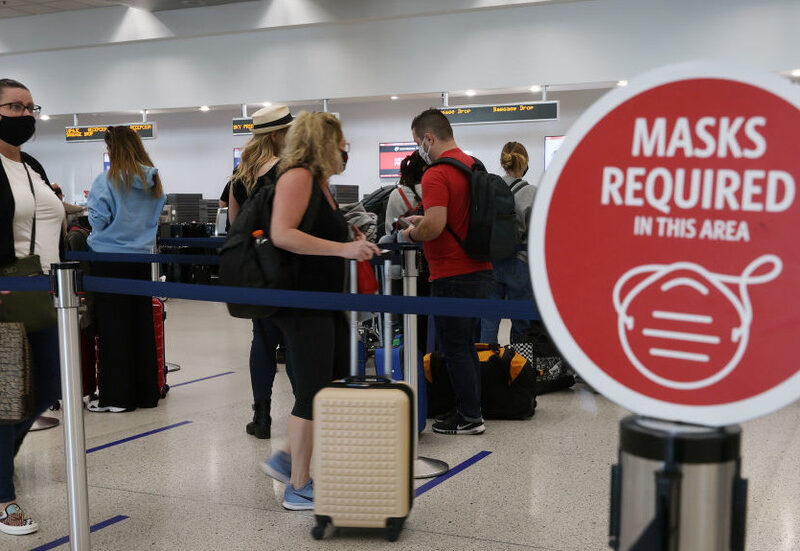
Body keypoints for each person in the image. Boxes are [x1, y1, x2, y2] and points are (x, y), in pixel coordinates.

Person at [259, 111, 379, 511]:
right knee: (313, 389)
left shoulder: (321, 182)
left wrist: (348, 235)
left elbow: (317, 230)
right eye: (341, 141)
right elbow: (283, 234)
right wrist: (343, 248)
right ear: (323, 141)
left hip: (325, 300)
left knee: (332, 382)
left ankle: (290, 458)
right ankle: (297, 485)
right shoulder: (297, 176)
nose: (346, 148)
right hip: (303, 302)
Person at [401, 108, 492, 435]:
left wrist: (411, 233)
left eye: (417, 142)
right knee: (466, 346)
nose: (418, 150)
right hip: (480, 269)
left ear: (428, 138)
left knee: (455, 347)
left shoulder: (436, 174)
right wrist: (423, 221)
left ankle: (470, 417)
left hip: (451, 273)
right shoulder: (472, 165)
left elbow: (436, 226)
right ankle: (471, 409)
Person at [0, 78, 63, 536]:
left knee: (44, 391)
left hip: (44, 295)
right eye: (14, 107)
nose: (25, 115)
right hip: (6, 296)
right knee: (7, 400)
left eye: (29, 107)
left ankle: (3, 465)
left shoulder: (32, 165)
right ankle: (4, 499)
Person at [86, 125, 166, 412]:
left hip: (109, 259)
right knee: (140, 324)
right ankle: (146, 392)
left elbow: (99, 220)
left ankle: (118, 397)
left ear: (113, 149)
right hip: (141, 259)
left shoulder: (106, 181)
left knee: (113, 327)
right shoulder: (153, 181)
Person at [227, 105, 295, 439]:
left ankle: (262, 416)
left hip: (256, 271)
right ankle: (305, 412)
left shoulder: (240, 177)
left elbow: (233, 226)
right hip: (291, 266)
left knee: (263, 340)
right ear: (279, 134)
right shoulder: (291, 171)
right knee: (296, 340)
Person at [480, 141, 537, 343]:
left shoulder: (489, 189)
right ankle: (518, 368)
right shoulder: (533, 193)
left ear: (503, 162)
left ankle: (487, 367)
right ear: (526, 163)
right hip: (520, 263)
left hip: (491, 261)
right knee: (522, 322)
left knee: (488, 320)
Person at [384, 150, 425, 235]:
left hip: (401, 244)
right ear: (425, 168)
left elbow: (389, 230)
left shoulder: (396, 194)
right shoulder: (434, 190)